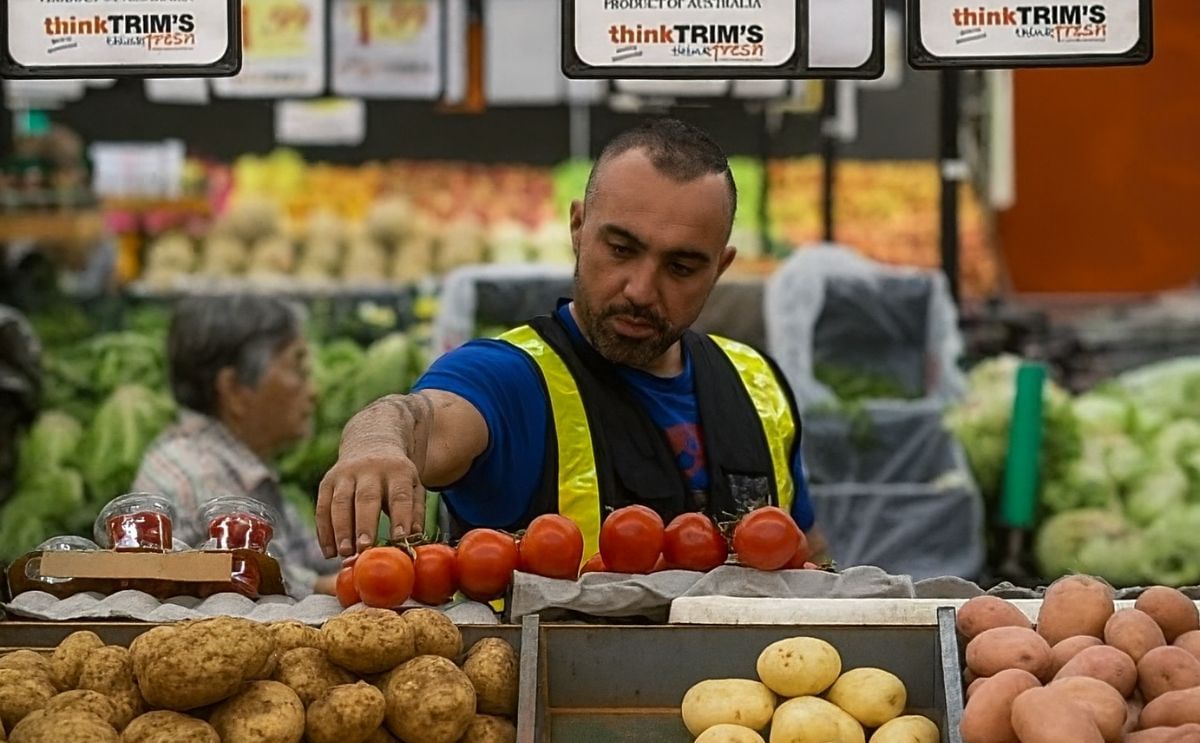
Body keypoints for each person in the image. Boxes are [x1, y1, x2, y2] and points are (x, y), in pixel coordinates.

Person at [317, 118, 822, 562]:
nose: (641, 290)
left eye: (682, 267)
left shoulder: (759, 386)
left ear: (721, 268)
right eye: (621, 248)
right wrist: (375, 442)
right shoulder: (508, 377)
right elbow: (420, 416)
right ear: (579, 228)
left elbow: (806, 550)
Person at [131, 295, 340, 596]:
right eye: (298, 368)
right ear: (233, 390)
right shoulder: (197, 473)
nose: (313, 391)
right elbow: (245, 574)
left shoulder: (241, 465)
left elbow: (314, 559)